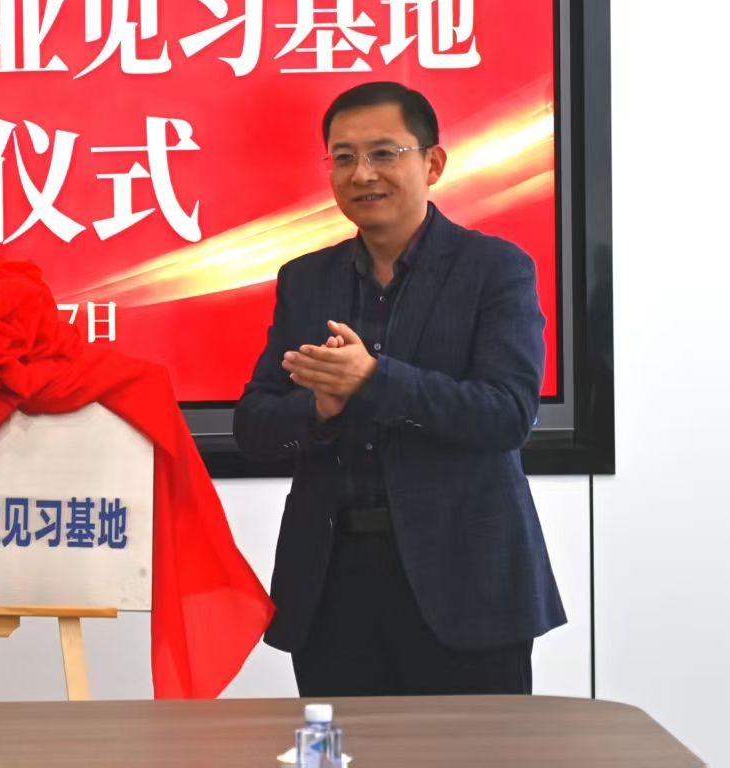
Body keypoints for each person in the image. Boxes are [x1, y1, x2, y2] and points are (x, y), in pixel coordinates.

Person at [234, 81, 563, 696]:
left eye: (384, 153)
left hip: (465, 583)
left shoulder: (495, 268)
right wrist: (319, 408)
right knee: (343, 745)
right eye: (343, 157)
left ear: (432, 163)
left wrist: (375, 380)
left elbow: (507, 414)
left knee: (474, 747)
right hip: (333, 585)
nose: (362, 174)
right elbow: (253, 425)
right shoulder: (306, 280)